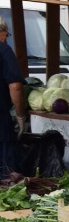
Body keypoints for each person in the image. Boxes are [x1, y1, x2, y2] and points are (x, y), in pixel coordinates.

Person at [0, 16, 26, 180]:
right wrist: (20, 116)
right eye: (7, 34)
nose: (6, 38)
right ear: (2, 32)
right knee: (7, 178)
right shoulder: (3, 50)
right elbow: (15, 86)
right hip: (1, 124)